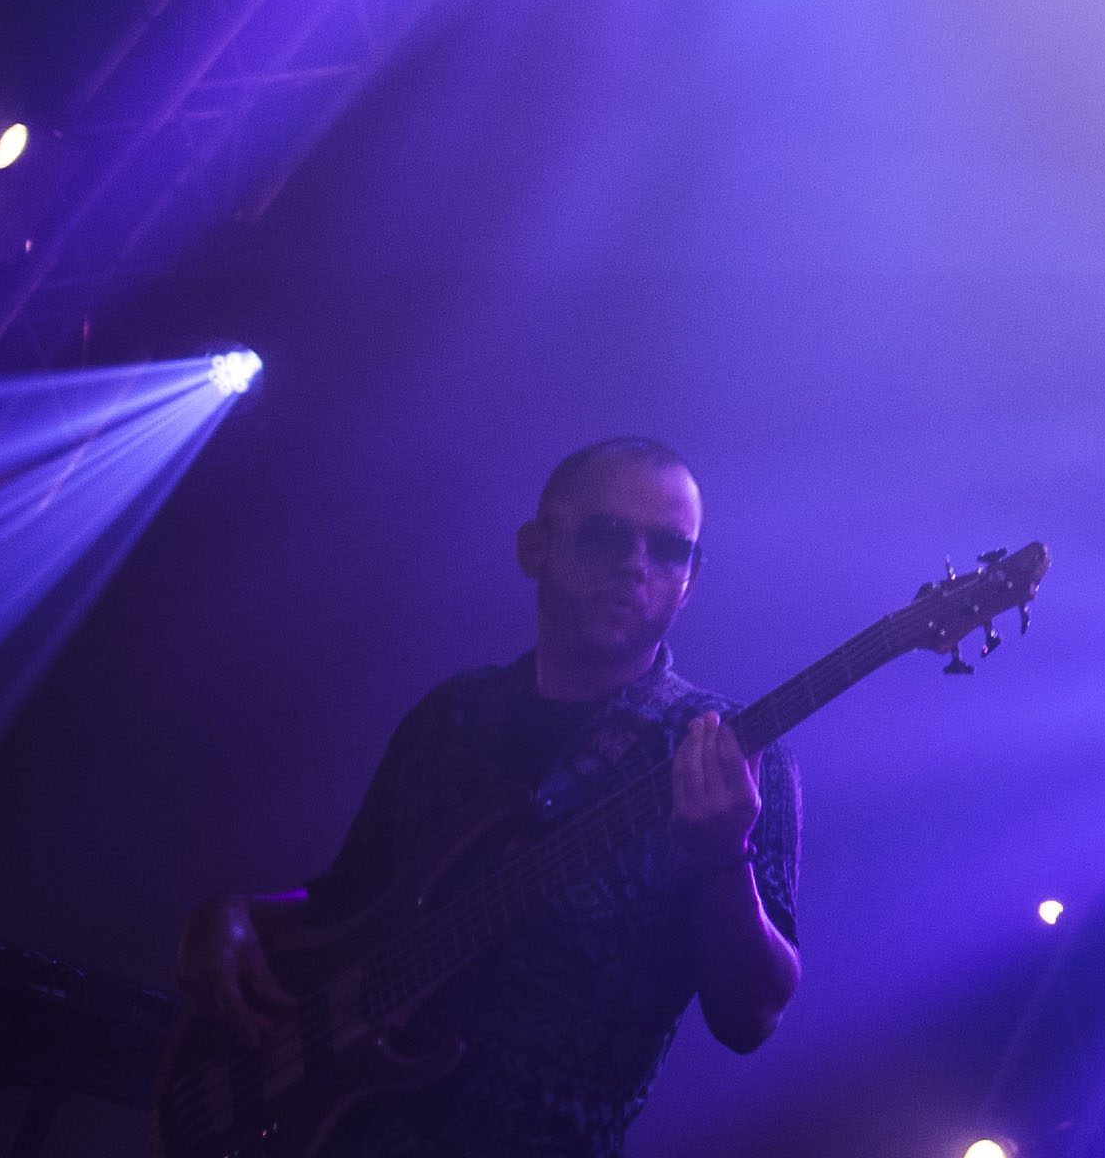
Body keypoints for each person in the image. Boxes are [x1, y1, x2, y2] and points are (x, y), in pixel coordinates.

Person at [175, 438, 803, 1158]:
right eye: (606, 534)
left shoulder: (725, 750)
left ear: (690, 580)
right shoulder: (454, 713)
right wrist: (236, 915)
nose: (636, 564)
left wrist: (724, 859)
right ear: (535, 547)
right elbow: (345, 904)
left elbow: (752, 1016)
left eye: (668, 548)